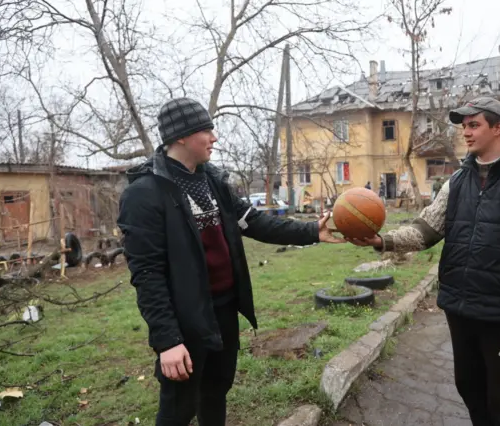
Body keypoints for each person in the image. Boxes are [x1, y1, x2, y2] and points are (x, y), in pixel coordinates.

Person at [346, 96, 500, 426]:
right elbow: (424, 231)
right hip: (459, 307)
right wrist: (381, 240)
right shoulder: (456, 182)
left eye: (474, 125)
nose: (466, 132)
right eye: (464, 126)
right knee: (469, 387)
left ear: (497, 127)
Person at [117, 97, 345, 426]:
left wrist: (310, 231)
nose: (215, 137)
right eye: (205, 130)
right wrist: (168, 340)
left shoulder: (212, 181)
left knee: (216, 391)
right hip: (185, 318)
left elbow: (253, 222)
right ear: (181, 137)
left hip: (224, 309)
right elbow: (147, 274)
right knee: (179, 408)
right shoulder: (145, 194)